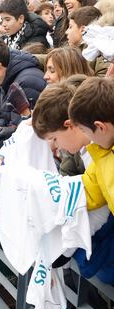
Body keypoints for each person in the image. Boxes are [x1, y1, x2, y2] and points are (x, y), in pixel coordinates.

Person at [69, 77, 114, 215]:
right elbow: (89, 190)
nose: (86, 137)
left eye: (84, 130)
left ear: (100, 127)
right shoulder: (102, 152)